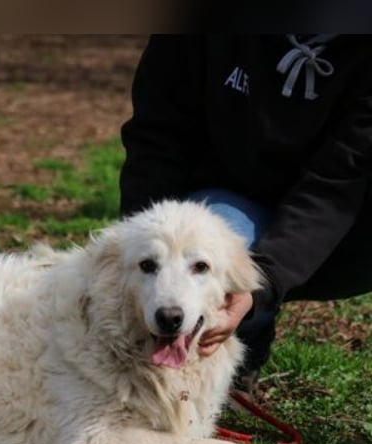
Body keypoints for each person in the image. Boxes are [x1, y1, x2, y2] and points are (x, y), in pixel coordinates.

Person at [119, 34, 372, 392]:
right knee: (208, 244)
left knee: (233, 270)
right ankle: (223, 364)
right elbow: (156, 137)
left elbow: (336, 185)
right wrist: (140, 243)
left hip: (350, 230)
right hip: (227, 201)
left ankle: (249, 324)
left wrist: (263, 283)